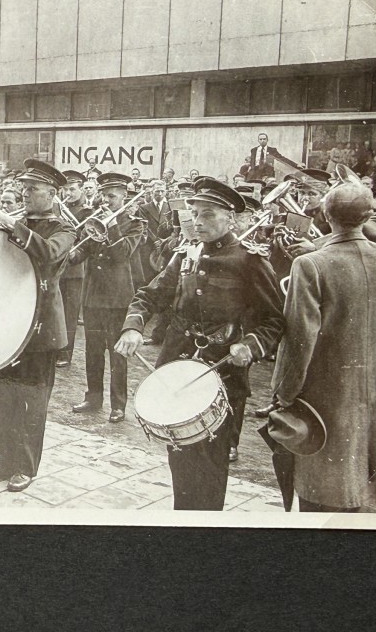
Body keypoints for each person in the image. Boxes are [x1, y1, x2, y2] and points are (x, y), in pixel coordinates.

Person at [115, 177, 284, 510]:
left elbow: (275, 319)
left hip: (222, 375)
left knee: (209, 464)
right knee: (179, 456)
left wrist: (250, 345)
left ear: (231, 218)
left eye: (208, 214)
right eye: (194, 213)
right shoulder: (186, 253)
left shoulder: (250, 260)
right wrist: (132, 327)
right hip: (176, 371)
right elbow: (147, 296)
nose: (197, 221)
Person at [270, 183, 376, 513]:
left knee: (321, 499)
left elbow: (299, 340)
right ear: (369, 216)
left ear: (325, 215)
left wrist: (283, 394)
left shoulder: (310, 265)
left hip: (324, 402)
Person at [0, 160, 77, 492]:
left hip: (41, 328)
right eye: (24, 188)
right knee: (3, 397)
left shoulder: (64, 228)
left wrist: (12, 226)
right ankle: (5, 459)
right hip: (8, 323)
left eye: (33, 189)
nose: (25, 194)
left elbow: (49, 253)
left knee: (33, 402)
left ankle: (27, 466)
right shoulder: (15, 222)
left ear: (53, 193)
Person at [70, 172, 144, 422]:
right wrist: (68, 251)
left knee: (117, 353)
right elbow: (81, 252)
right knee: (92, 351)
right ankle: (93, 397)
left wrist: (110, 225)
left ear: (124, 197)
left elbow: (123, 254)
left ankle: (118, 404)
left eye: (111, 196)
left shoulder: (135, 224)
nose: (105, 200)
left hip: (117, 299)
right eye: (103, 195)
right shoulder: (94, 219)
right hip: (93, 297)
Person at [55, 170, 93, 368]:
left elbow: (85, 240)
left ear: (81, 190)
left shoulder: (87, 212)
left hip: (73, 269)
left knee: (69, 314)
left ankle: (65, 353)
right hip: (56, 266)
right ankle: (55, 348)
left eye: (72, 189)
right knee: (55, 310)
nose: (68, 193)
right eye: (65, 189)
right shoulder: (58, 209)